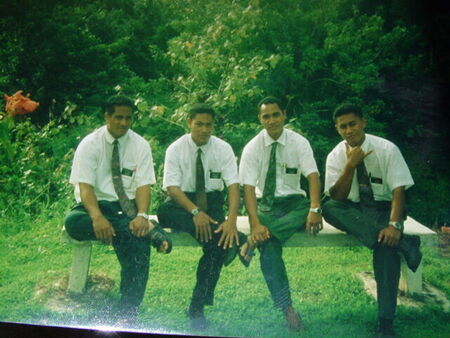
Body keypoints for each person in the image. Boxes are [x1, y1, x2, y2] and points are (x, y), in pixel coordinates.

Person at [64, 95, 171, 325]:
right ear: (107, 117)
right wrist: (97, 218)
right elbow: (85, 188)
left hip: (126, 209)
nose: (123, 123)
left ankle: (128, 309)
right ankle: (153, 230)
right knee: (73, 223)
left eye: (128, 118)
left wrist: (142, 215)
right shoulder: (90, 144)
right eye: (118, 117)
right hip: (92, 206)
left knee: (138, 237)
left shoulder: (140, 145)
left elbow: (143, 186)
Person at [322, 103, 423, 337]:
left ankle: (385, 322)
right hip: (354, 209)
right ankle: (406, 244)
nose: (349, 130)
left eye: (352, 124)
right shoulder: (336, 155)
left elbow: (399, 190)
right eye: (343, 127)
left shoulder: (386, 149)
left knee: (386, 249)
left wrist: (394, 225)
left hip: (383, 207)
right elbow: (337, 196)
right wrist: (349, 166)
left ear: (363, 123)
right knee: (329, 208)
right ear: (337, 129)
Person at [157, 103, 246, 330]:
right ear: (189, 123)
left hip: (213, 204)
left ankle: (196, 308)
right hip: (181, 204)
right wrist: (195, 213)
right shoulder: (175, 149)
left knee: (216, 247)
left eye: (209, 124)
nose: (204, 129)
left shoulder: (223, 148)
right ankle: (237, 241)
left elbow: (234, 186)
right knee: (163, 212)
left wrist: (232, 221)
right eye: (199, 124)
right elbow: (171, 188)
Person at [239, 96, 323, 332]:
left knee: (302, 209)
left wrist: (315, 209)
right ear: (260, 119)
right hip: (264, 206)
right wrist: (255, 225)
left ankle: (249, 244)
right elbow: (246, 188)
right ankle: (288, 310)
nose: (272, 120)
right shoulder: (253, 147)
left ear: (284, 115)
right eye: (266, 116)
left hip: (294, 205)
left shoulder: (299, 142)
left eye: (276, 115)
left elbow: (313, 176)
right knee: (271, 246)